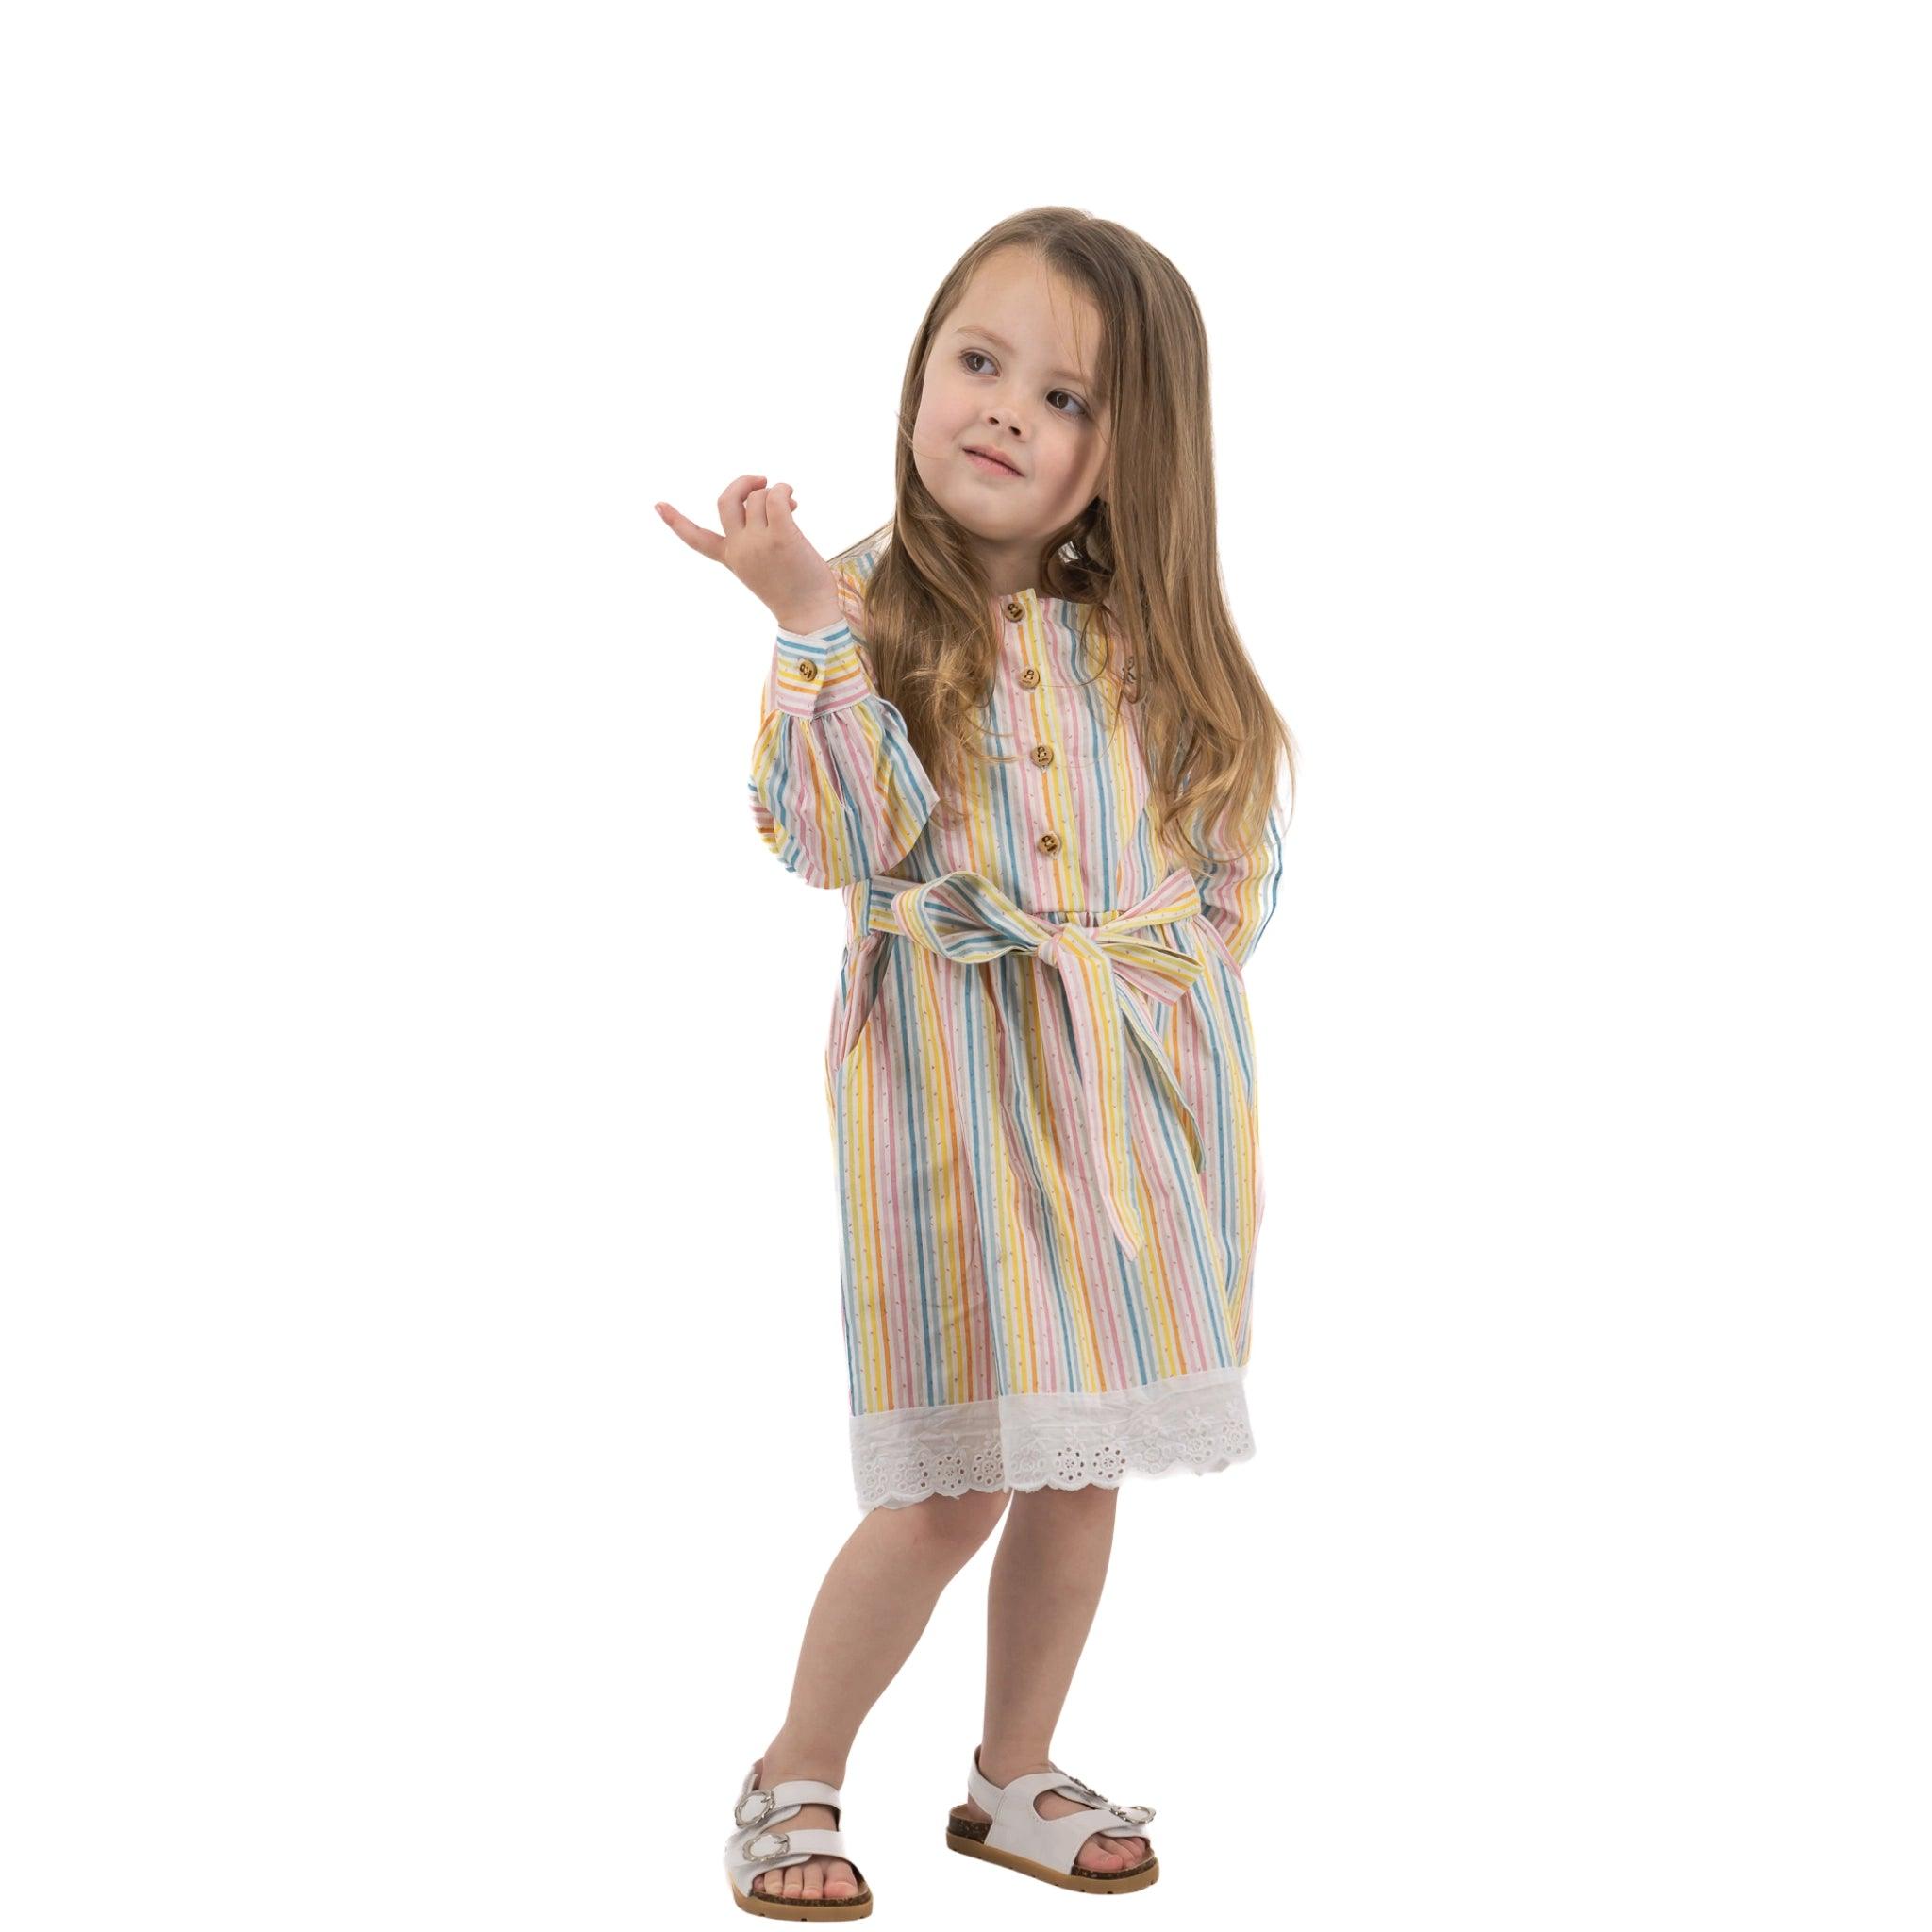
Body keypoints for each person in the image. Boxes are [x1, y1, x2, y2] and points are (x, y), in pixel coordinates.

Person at [658, 206, 1295, 1919]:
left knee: (1081, 1467)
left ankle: (1012, 1773)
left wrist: (1167, 1003)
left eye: (1067, 398)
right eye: (979, 361)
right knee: (954, 1483)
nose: (1007, 410)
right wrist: (801, 615)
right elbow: (828, 832)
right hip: (949, 1096)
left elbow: (1233, 857)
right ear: (923, 370)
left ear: (1131, 452)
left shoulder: (1146, 644)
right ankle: (795, 1771)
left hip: (1132, 1105)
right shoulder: (860, 604)